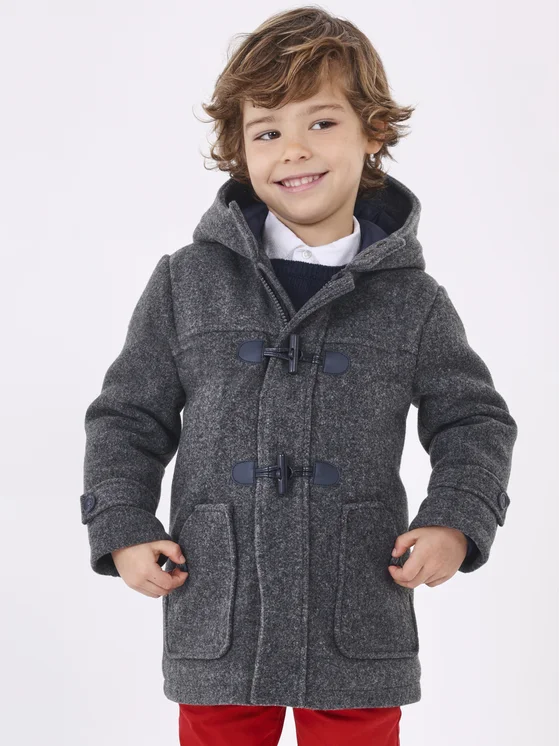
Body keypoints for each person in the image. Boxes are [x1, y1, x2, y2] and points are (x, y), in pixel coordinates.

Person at [80, 7, 518, 745]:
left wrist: (455, 518)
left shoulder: (414, 301)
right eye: (267, 131)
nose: (294, 150)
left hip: (357, 599)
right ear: (238, 150)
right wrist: (122, 524)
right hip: (218, 596)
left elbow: (474, 420)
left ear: (372, 132)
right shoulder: (186, 283)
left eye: (321, 122)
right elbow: (127, 417)